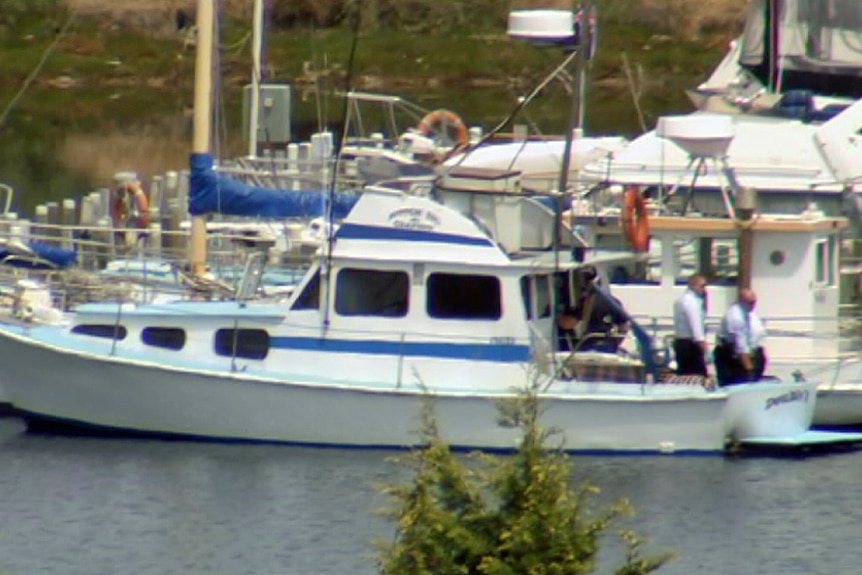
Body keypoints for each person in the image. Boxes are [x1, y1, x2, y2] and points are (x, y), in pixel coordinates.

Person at [568, 265, 630, 353]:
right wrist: (616, 342)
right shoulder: (612, 301)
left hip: (586, 346)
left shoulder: (582, 302)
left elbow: (569, 323)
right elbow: (624, 326)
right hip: (607, 346)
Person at [713, 288, 767, 386]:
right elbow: (741, 346)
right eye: (751, 302)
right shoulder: (736, 317)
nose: (754, 305)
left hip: (739, 353)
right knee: (732, 384)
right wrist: (749, 370)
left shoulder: (747, 313)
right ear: (742, 301)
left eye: (755, 302)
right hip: (727, 354)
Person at [672, 274, 709, 377]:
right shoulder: (691, 302)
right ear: (694, 285)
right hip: (690, 345)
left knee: (684, 374)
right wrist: (704, 347)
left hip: (681, 342)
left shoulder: (681, 300)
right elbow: (696, 326)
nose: (704, 289)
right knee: (697, 376)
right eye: (702, 286)